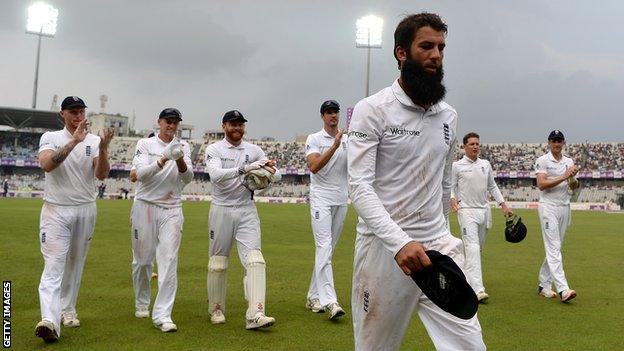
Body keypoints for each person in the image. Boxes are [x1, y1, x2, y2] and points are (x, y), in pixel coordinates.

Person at [347, 13, 486, 350]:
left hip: (437, 247)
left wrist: (444, 231)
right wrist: (400, 243)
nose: (436, 55)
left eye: (441, 47)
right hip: (385, 251)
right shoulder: (373, 109)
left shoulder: (448, 115)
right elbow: (359, 187)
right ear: (401, 53)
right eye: (426, 46)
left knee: (471, 347)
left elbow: (441, 182)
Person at [34, 96, 113, 342]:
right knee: (54, 264)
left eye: (81, 112)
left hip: (85, 209)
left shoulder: (93, 140)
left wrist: (102, 148)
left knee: (75, 263)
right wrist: (73, 142)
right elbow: (47, 165)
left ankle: (68, 310)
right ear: (63, 114)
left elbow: (101, 175)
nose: (79, 116)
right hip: (57, 210)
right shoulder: (51, 137)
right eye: (73, 112)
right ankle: (49, 319)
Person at [204, 110, 279, 330]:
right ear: (224, 126)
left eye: (240, 125)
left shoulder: (254, 150)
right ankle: (216, 308)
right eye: (233, 124)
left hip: (247, 208)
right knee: (218, 261)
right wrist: (245, 169)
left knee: (255, 260)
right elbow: (215, 175)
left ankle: (255, 313)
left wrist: (267, 173)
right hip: (221, 209)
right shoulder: (214, 149)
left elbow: (276, 173)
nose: (237, 128)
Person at [130, 108, 193, 332]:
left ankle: (163, 315)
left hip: (172, 208)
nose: (172, 126)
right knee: (142, 261)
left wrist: (180, 160)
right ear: (159, 122)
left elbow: (187, 179)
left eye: (176, 122)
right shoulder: (145, 145)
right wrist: (165, 158)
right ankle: (141, 301)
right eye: (168, 121)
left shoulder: (184, 147)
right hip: (145, 206)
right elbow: (141, 175)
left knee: (168, 260)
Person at [450, 132, 513, 302]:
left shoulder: (486, 164)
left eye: (477, 143)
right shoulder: (457, 166)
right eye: (471, 144)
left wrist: (503, 204)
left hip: (484, 211)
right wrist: (452, 198)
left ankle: (462, 277)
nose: (475, 146)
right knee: (472, 248)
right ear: (464, 147)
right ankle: (477, 290)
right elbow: (451, 186)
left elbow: (492, 187)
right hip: (466, 211)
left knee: (477, 250)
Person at [304, 100, 348, 319]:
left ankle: (313, 295)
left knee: (328, 250)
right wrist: (334, 146)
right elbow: (314, 166)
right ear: (322, 116)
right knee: (324, 247)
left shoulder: (347, 139)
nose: (333, 116)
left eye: (336, 112)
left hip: (341, 199)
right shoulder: (314, 139)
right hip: (321, 198)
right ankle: (330, 301)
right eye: (329, 113)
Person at [534, 130, 579, 302]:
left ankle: (543, 285)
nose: (557, 144)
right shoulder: (543, 160)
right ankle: (563, 289)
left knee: (556, 247)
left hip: (564, 207)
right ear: (549, 143)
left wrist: (572, 178)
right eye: (554, 141)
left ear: (563, 143)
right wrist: (564, 175)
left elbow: (574, 187)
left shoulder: (569, 161)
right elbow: (542, 184)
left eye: (559, 141)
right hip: (548, 207)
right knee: (553, 247)